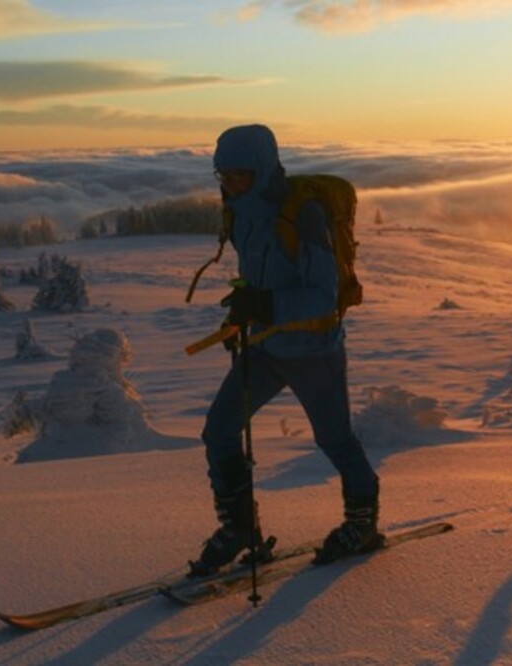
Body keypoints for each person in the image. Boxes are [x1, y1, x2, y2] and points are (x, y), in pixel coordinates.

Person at [189, 124, 382, 576]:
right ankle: (238, 529)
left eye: (239, 175)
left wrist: (264, 304)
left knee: (335, 440)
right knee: (218, 430)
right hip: (265, 346)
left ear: (261, 169)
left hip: (314, 350)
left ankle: (363, 523)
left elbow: (321, 294)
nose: (230, 185)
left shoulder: (305, 214)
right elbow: (258, 277)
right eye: (223, 176)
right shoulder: (241, 214)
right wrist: (244, 305)